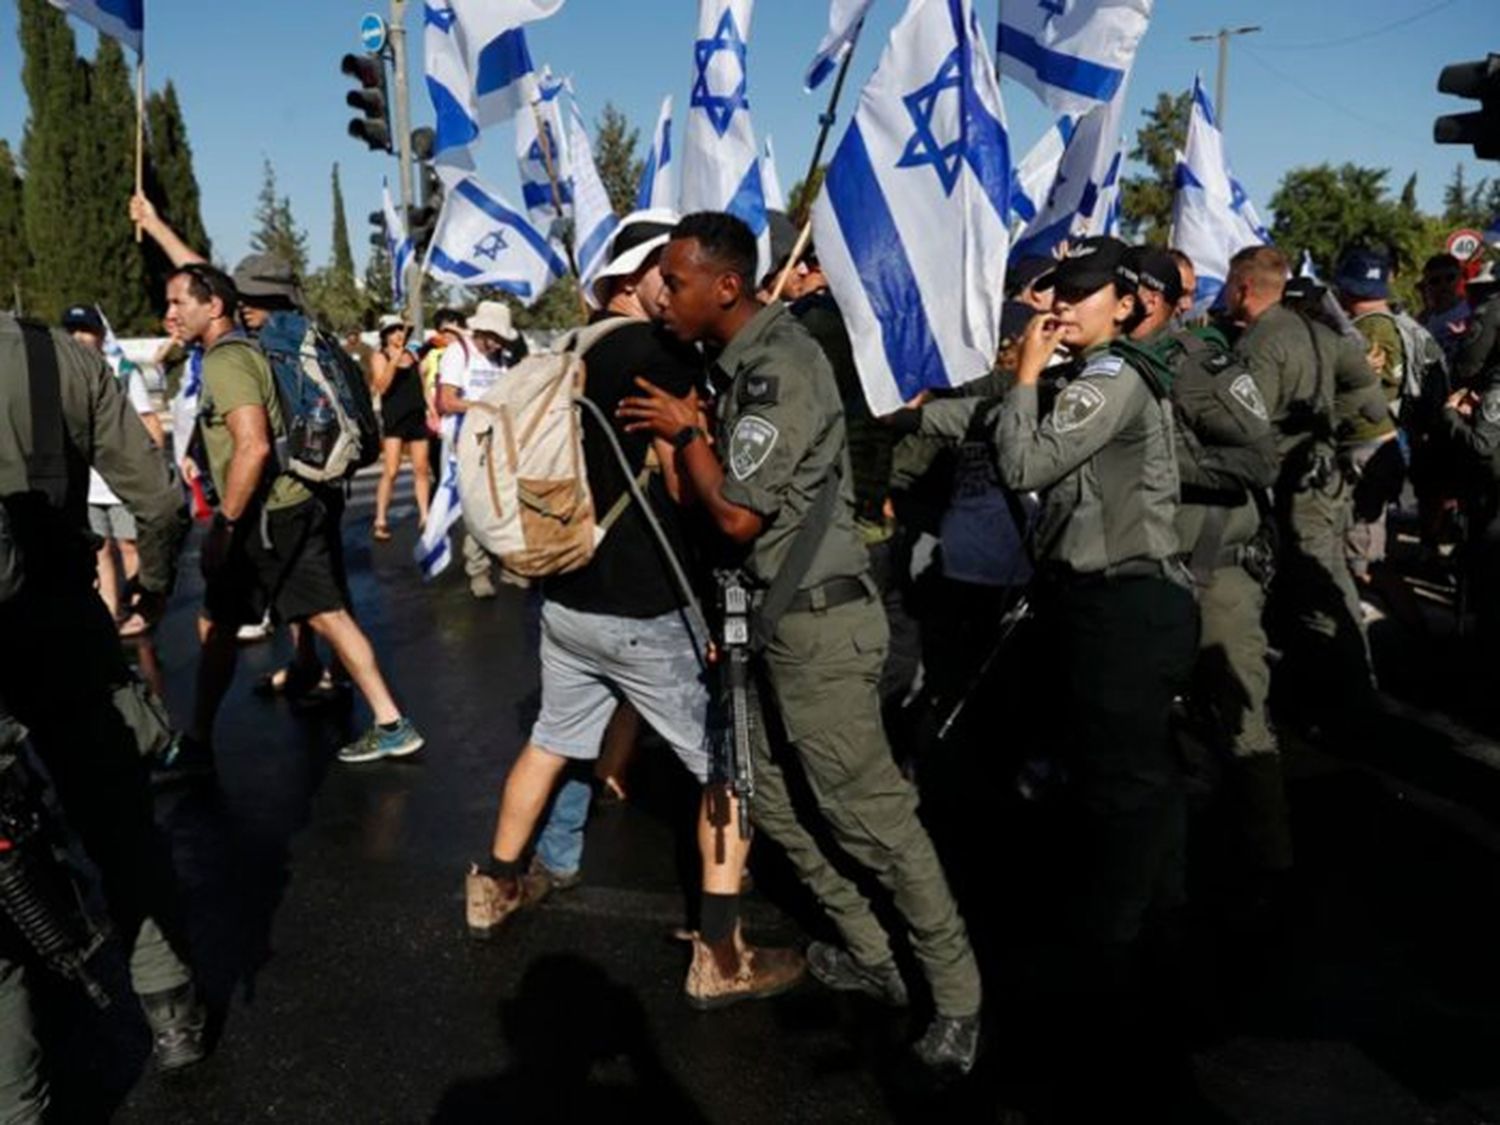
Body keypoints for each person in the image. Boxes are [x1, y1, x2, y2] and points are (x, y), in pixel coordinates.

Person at [618, 212, 983, 1075]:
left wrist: (686, 435)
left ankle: (960, 996)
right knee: (771, 800)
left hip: (819, 629)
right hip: (771, 623)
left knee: (874, 818)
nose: (663, 295)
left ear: (727, 286)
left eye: (675, 280)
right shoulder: (741, 364)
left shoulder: (779, 370)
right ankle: (875, 955)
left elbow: (740, 511)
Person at [465, 209, 805, 1007]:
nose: (677, 282)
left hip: (568, 593)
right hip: (646, 603)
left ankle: (496, 885)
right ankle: (720, 954)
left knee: (551, 739)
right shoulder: (657, 360)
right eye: (668, 269)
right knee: (726, 767)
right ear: (637, 278)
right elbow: (690, 490)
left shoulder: (572, 349)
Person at [0, 314, 205, 1122]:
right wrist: (150, 587)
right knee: (121, 827)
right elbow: (158, 498)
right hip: (65, 629)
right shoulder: (61, 359)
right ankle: (172, 1012)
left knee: (4, 875)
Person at [161, 263, 423, 766]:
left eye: (179, 302)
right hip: (286, 504)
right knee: (231, 619)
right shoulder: (250, 348)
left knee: (314, 614)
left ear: (212, 306)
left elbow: (253, 447)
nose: (170, 313)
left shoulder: (226, 360)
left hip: (266, 514)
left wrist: (226, 523)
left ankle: (390, 722)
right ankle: (198, 737)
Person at [1124, 245, 1290, 880]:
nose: (1187, 301)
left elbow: (1259, 459)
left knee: (1242, 724)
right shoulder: (1117, 365)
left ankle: (1268, 874)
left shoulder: (1201, 362)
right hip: (1147, 571)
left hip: (1214, 570)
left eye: (1190, 289)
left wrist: (1164, 460)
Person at [1226, 246, 1379, 726]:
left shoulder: (1259, 344)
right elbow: (1372, 402)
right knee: (1325, 586)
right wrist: (1330, 427)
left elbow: (1245, 428)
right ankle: (1336, 694)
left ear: (1243, 288)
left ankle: (1348, 703)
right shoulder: (1322, 334)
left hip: (1291, 487)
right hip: (1325, 477)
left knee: (1313, 593)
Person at [61, 304, 167, 634]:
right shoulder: (62, 373)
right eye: (73, 330)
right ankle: (110, 607)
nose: (79, 338)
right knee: (101, 547)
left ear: (101, 334)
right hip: (88, 482)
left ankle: (140, 606)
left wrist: (152, 468)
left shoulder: (121, 371)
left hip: (120, 479)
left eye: (87, 330)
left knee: (129, 544)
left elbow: (149, 420)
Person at [436, 301, 523, 599]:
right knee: (475, 505)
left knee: (507, 500)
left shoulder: (503, 359)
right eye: (495, 337)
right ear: (482, 332)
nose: (498, 343)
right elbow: (446, 401)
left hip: (498, 437)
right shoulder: (457, 352)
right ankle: (479, 570)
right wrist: (483, 407)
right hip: (466, 438)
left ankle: (510, 563)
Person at [1332, 249, 1409, 584]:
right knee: (1368, 541)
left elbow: (1365, 380)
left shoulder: (1370, 329)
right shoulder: (1390, 323)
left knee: (1363, 558)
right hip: (1382, 439)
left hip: (1367, 438)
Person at [370, 316, 432, 542]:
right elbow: (381, 387)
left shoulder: (413, 355)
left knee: (421, 469)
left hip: (416, 416)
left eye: (400, 330)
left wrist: (431, 410)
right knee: (392, 470)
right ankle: (380, 518)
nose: (398, 334)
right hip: (395, 419)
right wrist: (393, 361)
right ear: (385, 335)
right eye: (392, 330)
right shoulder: (380, 356)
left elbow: (423, 387)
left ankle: (425, 516)